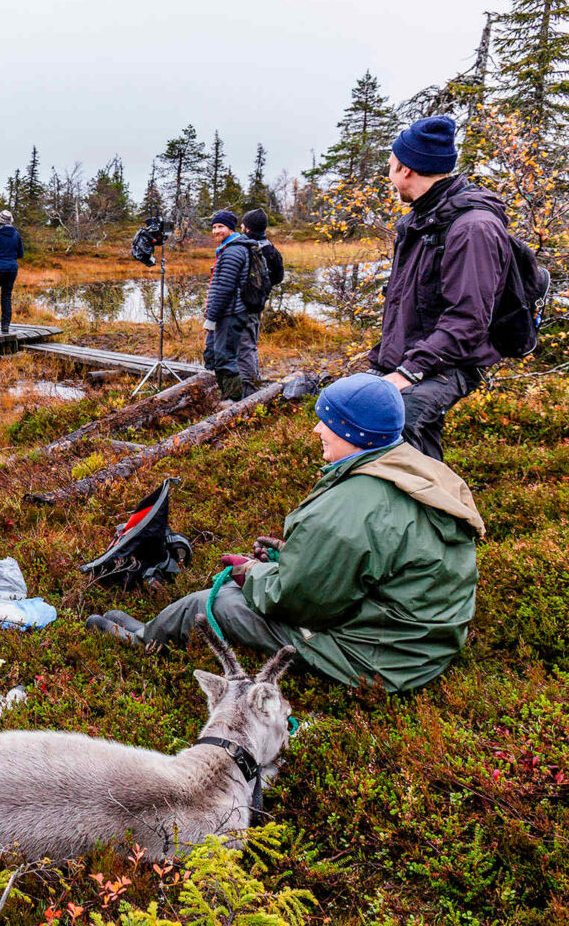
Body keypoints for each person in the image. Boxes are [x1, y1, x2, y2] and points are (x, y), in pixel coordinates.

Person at [87, 374, 483, 693]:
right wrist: (293, 557)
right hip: (423, 645)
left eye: (328, 422)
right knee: (238, 589)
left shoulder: (351, 510)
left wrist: (251, 574)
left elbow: (297, 603)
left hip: (378, 661)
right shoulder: (419, 470)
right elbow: (377, 561)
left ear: (354, 433)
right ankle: (152, 628)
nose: (317, 429)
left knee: (214, 601)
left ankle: (143, 641)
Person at [370, 115, 512, 462]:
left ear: (406, 169)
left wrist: (408, 371)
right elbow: (409, 302)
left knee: (395, 423)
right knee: (392, 429)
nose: (390, 177)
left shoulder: (472, 228)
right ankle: (423, 503)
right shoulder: (422, 219)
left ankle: (434, 509)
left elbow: (467, 321)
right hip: (419, 356)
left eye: (390, 168)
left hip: (451, 362)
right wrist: (385, 360)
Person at [203, 209, 251, 401]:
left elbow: (224, 288)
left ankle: (233, 401)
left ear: (231, 228)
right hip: (225, 312)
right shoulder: (227, 248)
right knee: (214, 354)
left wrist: (211, 318)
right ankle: (224, 395)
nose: (216, 231)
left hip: (229, 313)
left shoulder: (233, 251)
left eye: (220, 226)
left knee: (225, 358)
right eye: (214, 227)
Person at [237, 208, 284, 394]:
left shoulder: (248, 248)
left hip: (246, 305)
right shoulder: (270, 248)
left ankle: (249, 390)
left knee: (244, 347)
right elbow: (279, 277)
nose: (241, 227)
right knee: (251, 345)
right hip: (258, 304)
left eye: (243, 224)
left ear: (247, 228)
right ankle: (252, 382)